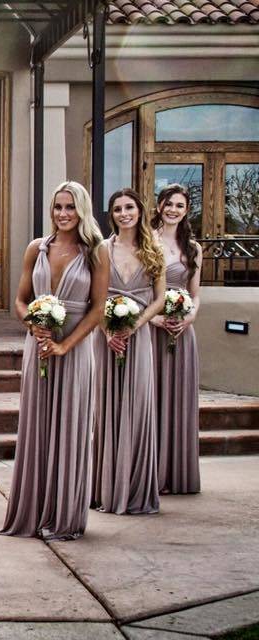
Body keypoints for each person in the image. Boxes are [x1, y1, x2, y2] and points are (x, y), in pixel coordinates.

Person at [0, 181, 108, 540]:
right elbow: (20, 299)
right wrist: (33, 325)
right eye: (58, 207)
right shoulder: (36, 248)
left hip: (75, 349)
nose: (63, 214)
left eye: (70, 207)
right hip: (40, 346)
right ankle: (32, 510)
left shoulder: (96, 252)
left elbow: (98, 309)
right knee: (38, 425)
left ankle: (63, 516)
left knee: (71, 427)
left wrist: (66, 346)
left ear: (82, 211)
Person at [92, 188, 165, 514]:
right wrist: (108, 331)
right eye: (118, 208)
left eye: (130, 207)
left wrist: (136, 325)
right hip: (106, 337)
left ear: (140, 211)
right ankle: (105, 488)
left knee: (137, 406)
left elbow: (160, 298)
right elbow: (94, 297)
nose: (124, 213)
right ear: (112, 214)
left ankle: (134, 490)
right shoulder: (102, 250)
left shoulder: (154, 249)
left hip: (139, 336)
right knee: (106, 406)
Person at [151, 183, 202, 495]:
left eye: (179, 206)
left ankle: (177, 473)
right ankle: (153, 472)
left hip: (183, 332)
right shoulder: (148, 241)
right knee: (154, 397)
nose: (173, 210)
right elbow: (142, 290)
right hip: (154, 329)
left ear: (186, 211)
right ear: (159, 206)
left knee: (179, 399)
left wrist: (188, 317)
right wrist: (156, 319)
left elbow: (196, 295)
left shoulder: (193, 248)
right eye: (168, 204)